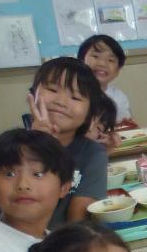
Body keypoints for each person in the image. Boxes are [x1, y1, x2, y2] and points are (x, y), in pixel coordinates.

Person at [25, 56, 108, 226]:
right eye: (52, 89)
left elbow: (78, 221)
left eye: (76, 98)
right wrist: (39, 146)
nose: (60, 102)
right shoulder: (13, 148)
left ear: (90, 116)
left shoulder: (92, 154)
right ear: (33, 95)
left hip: (62, 243)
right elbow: (21, 217)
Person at [78, 34, 132, 123]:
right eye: (95, 56)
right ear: (81, 60)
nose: (102, 64)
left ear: (118, 70)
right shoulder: (72, 93)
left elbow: (126, 127)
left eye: (111, 60)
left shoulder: (119, 97)